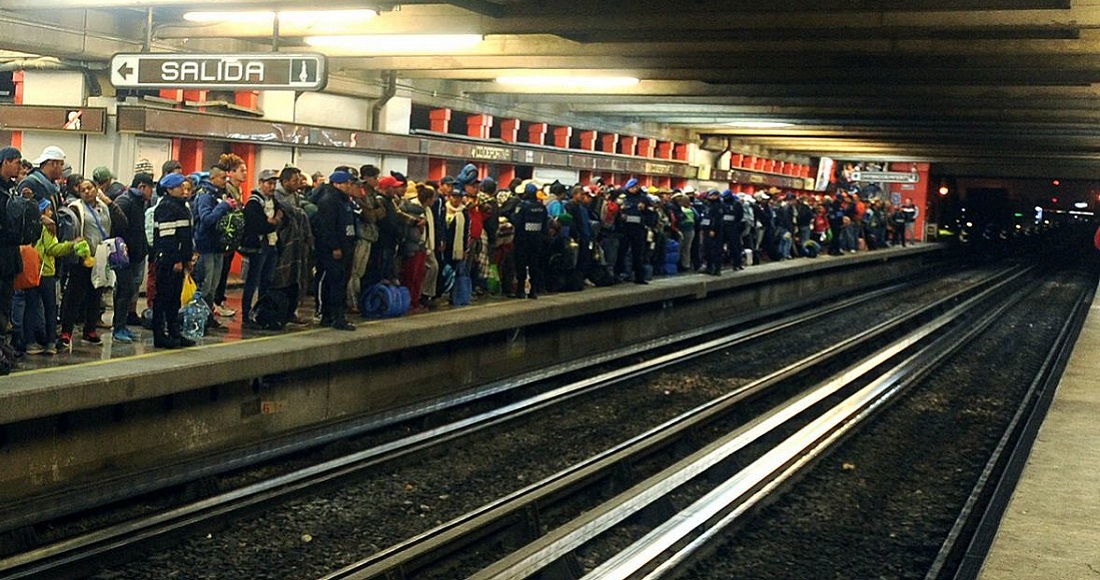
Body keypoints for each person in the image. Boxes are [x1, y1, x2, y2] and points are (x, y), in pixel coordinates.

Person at [60, 178, 126, 346]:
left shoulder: (103, 208)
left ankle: (90, 330)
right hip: (82, 258)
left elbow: (118, 223)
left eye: (90, 188)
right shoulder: (76, 208)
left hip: (100, 257)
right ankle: (66, 332)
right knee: (74, 296)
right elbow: (71, 229)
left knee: (95, 295)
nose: (87, 192)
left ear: (97, 189)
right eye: (83, 190)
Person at [20, 199, 80, 355]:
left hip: (31, 273)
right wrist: (71, 244)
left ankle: (30, 342)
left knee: (30, 308)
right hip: (46, 273)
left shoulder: (26, 227)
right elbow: (53, 249)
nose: (51, 213)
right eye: (48, 210)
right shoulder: (47, 229)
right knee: (50, 308)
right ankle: (51, 343)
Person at [151, 173, 195, 348]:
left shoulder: (181, 206)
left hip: (179, 260)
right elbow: (167, 238)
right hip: (168, 261)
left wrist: (187, 258)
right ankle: (160, 335)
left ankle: (175, 332)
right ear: (169, 189)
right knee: (163, 298)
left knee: (174, 299)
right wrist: (176, 260)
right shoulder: (166, 207)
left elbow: (185, 236)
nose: (183, 190)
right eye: (179, 187)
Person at [110, 172, 154, 343]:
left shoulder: (139, 202)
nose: (151, 192)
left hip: (137, 254)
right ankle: (118, 326)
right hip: (124, 255)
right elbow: (118, 226)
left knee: (130, 290)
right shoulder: (125, 201)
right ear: (142, 186)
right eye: (150, 188)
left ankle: (122, 325)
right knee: (124, 289)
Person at [312, 171, 358, 330]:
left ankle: (333, 315)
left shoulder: (345, 201)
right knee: (333, 283)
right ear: (337, 184)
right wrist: (334, 246)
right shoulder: (329, 201)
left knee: (341, 282)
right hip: (332, 250)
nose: (350, 186)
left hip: (346, 246)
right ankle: (333, 315)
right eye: (347, 183)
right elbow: (327, 227)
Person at [191, 164, 235, 329]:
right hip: (206, 247)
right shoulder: (205, 196)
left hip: (218, 247)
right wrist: (224, 207)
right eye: (223, 178)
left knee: (214, 286)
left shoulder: (220, 195)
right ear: (212, 178)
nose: (226, 181)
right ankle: (198, 318)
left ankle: (208, 317)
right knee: (205, 285)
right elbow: (207, 219)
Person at [239, 169, 283, 325]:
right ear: (260, 183)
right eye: (269, 183)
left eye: (274, 183)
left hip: (272, 244)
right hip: (258, 247)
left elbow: (282, 218)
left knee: (267, 281)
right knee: (253, 281)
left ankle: (262, 313)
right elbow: (258, 225)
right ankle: (246, 314)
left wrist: (274, 221)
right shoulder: (253, 202)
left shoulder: (274, 201)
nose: (272, 187)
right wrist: (272, 222)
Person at [510, 181, 548, 298]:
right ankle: (533, 291)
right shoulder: (542, 208)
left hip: (522, 240)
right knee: (534, 265)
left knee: (521, 264)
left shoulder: (522, 206)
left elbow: (516, 221)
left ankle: (521, 290)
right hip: (537, 240)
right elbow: (545, 225)